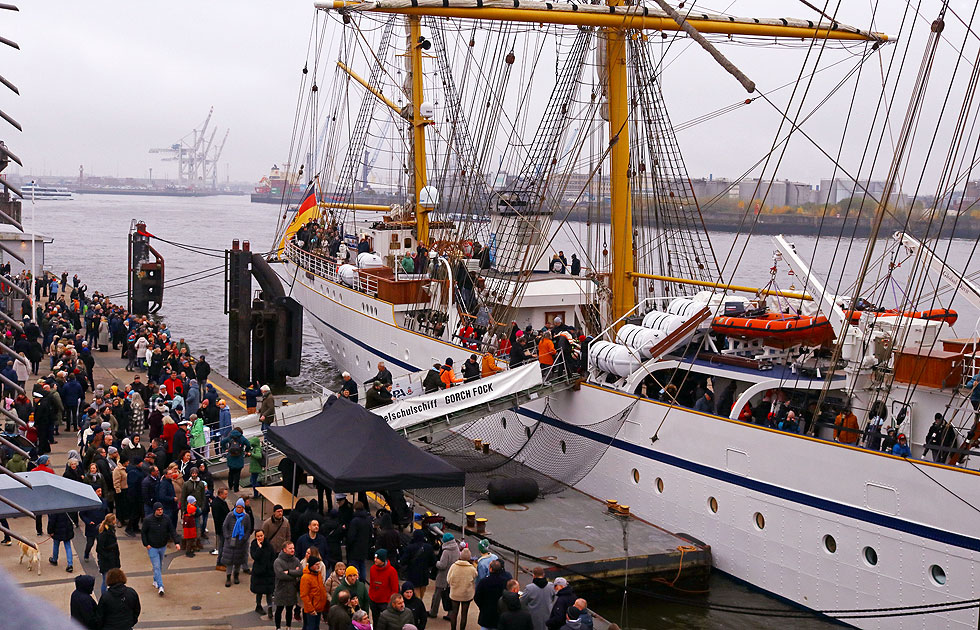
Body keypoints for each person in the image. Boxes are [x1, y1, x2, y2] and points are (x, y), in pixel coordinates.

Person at [141, 501, 180, 596]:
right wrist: (146, 544)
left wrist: (177, 542)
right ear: (155, 510)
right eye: (158, 510)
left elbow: (172, 530)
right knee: (157, 566)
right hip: (152, 547)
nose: (160, 511)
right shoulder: (148, 520)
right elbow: (143, 533)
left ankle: (155, 579)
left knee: (159, 565)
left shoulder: (166, 519)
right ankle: (161, 586)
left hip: (162, 545)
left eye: (161, 509)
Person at [274, 541, 304, 630]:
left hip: (292, 590)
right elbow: (281, 575)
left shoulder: (296, 560)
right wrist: (294, 576)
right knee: (279, 610)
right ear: (284, 549)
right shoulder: (278, 561)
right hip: (281, 590)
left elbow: (301, 572)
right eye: (290, 548)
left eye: (293, 548)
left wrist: (289, 572)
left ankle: (288, 626)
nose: (293, 550)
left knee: (289, 610)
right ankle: (278, 627)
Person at [223, 497, 253, 587]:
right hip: (230, 542)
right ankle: (228, 577)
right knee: (229, 561)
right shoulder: (230, 515)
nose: (239, 509)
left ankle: (236, 576)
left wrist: (244, 538)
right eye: (238, 507)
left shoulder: (246, 517)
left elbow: (248, 528)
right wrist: (228, 537)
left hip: (240, 543)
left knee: (238, 561)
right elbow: (225, 526)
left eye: (241, 507)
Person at [429, 532, 459, 619]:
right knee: (450, 596)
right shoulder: (456, 548)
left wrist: (435, 562)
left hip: (443, 576)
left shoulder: (446, 551)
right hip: (452, 575)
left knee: (437, 595)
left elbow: (442, 565)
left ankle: (433, 612)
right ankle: (450, 614)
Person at [447, 547, 478, 630]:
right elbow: (476, 576)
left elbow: (448, 579)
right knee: (464, 614)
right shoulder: (471, 569)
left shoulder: (454, 566)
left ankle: (453, 629)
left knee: (454, 613)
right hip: (466, 594)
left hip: (455, 593)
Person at [399, 530, 435, 600]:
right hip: (424, 576)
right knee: (421, 595)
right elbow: (433, 561)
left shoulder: (410, 547)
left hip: (413, 576)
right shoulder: (428, 547)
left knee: (416, 597)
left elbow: (403, 561)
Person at [474, 560, 511, 630]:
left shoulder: (484, 582)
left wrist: (481, 606)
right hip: (499, 615)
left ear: (490, 569)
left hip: (486, 614)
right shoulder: (504, 582)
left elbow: (477, 597)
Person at [300, 548, 329, 630]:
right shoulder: (306, 577)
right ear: (311, 565)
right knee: (310, 627)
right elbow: (304, 595)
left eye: (318, 564)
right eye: (316, 564)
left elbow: (321, 589)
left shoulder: (318, 575)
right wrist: (311, 609)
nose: (318, 566)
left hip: (318, 607)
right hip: (311, 608)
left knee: (316, 627)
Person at [252, 529, 278, 618]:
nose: (260, 538)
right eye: (258, 536)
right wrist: (259, 548)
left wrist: (271, 569)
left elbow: (272, 556)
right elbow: (254, 556)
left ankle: (270, 608)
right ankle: (258, 606)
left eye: (261, 536)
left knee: (269, 591)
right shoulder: (254, 545)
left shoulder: (269, 545)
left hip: (268, 572)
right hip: (259, 572)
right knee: (259, 591)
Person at [369, 548, 400, 619]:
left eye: (377, 558)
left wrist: (390, 602)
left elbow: (395, 589)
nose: (375, 560)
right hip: (374, 601)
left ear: (383, 559)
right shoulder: (372, 569)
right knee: (376, 621)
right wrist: (371, 597)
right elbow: (372, 585)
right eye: (374, 558)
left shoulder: (392, 571)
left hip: (385, 603)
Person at [346, 502, 373, 579]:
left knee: (355, 567)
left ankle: (356, 582)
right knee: (362, 565)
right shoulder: (368, 520)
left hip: (354, 549)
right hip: (364, 548)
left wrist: (349, 546)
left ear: (354, 509)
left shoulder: (355, 521)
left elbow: (351, 536)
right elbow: (371, 534)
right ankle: (363, 581)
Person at [96, 513, 121, 594]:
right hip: (107, 561)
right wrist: (108, 556)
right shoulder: (105, 533)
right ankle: (104, 596)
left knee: (111, 580)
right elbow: (99, 548)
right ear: (112, 521)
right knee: (105, 581)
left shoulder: (110, 530)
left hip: (111, 559)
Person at [221, 427, 251, 492]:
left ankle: (230, 485)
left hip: (230, 457)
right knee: (237, 474)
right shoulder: (242, 438)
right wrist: (246, 451)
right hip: (239, 457)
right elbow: (248, 444)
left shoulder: (230, 436)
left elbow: (222, 442)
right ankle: (236, 488)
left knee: (231, 472)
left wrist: (225, 448)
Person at [212, 486, 231, 564]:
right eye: (225, 494)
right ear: (220, 494)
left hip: (224, 527)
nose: (226, 496)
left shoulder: (222, 501)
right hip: (222, 528)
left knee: (224, 545)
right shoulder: (217, 503)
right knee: (222, 545)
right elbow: (217, 518)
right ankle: (220, 562)